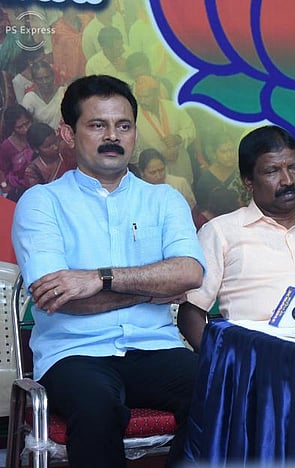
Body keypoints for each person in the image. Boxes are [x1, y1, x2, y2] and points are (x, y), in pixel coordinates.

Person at [10, 74, 205, 467]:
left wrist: (98, 279)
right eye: (98, 125)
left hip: (156, 347)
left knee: (220, 388)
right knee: (97, 404)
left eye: (124, 125)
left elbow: (188, 273)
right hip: (74, 354)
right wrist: (152, 288)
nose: (113, 136)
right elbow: (59, 301)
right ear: (68, 133)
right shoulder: (41, 203)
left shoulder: (164, 199)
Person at [178, 125, 295, 349]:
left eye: (294, 167)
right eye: (272, 171)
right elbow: (191, 313)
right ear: (248, 181)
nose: (287, 180)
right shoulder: (221, 232)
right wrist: (223, 365)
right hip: (261, 362)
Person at [132, 75, 196, 184]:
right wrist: (159, 155)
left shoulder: (173, 108)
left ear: (156, 93)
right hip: (155, 176)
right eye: (139, 97)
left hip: (181, 167)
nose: (142, 101)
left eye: (146, 96)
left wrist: (178, 138)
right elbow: (134, 152)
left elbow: (191, 129)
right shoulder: (135, 117)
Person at [193, 133, 245, 221]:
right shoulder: (206, 179)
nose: (229, 155)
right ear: (214, 154)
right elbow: (202, 209)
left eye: (231, 150)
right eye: (223, 151)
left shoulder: (243, 172)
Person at [22, 122, 76, 190]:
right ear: (36, 149)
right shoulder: (33, 172)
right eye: (48, 146)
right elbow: (39, 195)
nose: (55, 147)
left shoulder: (66, 150)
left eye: (55, 141)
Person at [0, 104, 34, 200]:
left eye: (27, 123)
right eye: (20, 127)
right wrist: (5, 188)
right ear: (12, 128)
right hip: (17, 189)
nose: (25, 129)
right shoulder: (7, 146)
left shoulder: (36, 134)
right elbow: (1, 169)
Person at [20, 60, 65, 129]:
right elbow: (24, 123)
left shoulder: (63, 92)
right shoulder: (30, 98)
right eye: (40, 79)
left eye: (47, 77)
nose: (45, 82)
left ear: (53, 76)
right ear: (34, 80)